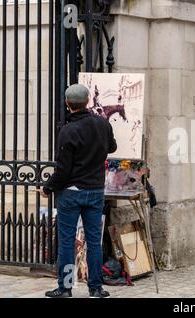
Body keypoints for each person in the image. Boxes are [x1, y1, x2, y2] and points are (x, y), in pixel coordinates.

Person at [43, 84, 117, 298]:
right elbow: (111, 147)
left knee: (66, 241)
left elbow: (63, 170)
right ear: (87, 102)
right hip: (95, 190)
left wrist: (48, 188)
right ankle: (95, 288)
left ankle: (65, 288)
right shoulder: (103, 123)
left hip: (72, 192)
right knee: (94, 241)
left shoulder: (68, 130)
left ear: (68, 104)